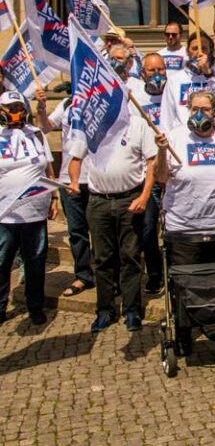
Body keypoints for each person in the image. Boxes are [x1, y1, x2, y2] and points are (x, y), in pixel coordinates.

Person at [155, 90, 215, 353]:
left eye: (205, 109)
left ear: (214, 112)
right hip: (184, 227)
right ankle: (184, 331)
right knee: (185, 283)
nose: (199, 113)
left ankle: (212, 323)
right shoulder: (174, 137)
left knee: (214, 281)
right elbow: (161, 178)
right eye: (194, 107)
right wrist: (162, 153)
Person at [69, 115, 157, 334]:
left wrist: (145, 196)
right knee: (102, 258)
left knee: (131, 256)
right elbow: (75, 159)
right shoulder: (90, 123)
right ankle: (105, 310)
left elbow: (152, 161)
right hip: (99, 200)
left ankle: (132, 310)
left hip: (131, 198)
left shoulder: (138, 124)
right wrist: (73, 181)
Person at [0, 91, 57, 325]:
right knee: (2, 262)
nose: (15, 111)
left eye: (18, 106)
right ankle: (1, 306)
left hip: (35, 210)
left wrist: (54, 197)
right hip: (5, 214)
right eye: (10, 107)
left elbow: (48, 167)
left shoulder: (36, 134)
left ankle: (35, 306)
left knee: (35, 261)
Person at [36, 87, 94, 298]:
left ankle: (109, 277)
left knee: (102, 233)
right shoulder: (67, 103)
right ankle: (83, 275)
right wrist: (42, 108)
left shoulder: (103, 102)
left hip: (98, 179)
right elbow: (44, 127)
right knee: (77, 231)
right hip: (69, 180)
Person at [127, 53, 168, 294]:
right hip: (148, 171)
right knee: (149, 227)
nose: (157, 74)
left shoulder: (172, 93)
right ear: (142, 73)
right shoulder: (135, 97)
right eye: (151, 70)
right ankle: (154, 273)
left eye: (161, 69)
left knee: (173, 226)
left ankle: (172, 269)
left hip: (171, 169)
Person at [159, 32, 215, 133]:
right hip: (185, 138)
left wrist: (209, 75)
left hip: (214, 138)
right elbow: (167, 116)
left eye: (204, 48)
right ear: (188, 52)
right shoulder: (175, 79)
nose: (199, 53)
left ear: (210, 51)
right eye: (194, 49)